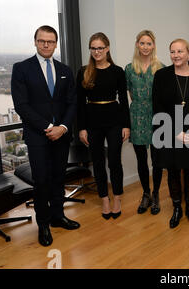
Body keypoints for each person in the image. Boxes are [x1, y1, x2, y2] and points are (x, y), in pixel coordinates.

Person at [11, 25, 79, 247]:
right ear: (35, 42)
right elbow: (22, 105)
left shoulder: (65, 70)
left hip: (62, 135)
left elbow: (72, 103)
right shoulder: (21, 69)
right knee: (41, 181)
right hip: (38, 136)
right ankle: (43, 224)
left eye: (50, 41)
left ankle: (58, 216)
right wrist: (49, 126)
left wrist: (63, 127)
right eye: (42, 41)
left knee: (59, 177)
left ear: (56, 43)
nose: (46, 45)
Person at [152, 39, 189, 228]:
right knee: (174, 171)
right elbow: (158, 107)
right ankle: (177, 207)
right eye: (172, 52)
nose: (176, 55)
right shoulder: (161, 76)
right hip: (170, 132)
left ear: (188, 53)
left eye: (180, 51)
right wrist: (175, 132)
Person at [77, 32, 130, 220]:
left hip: (114, 120)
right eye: (93, 48)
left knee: (115, 161)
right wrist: (81, 128)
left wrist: (126, 125)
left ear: (107, 48)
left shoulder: (117, 71)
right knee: (98, 162)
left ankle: (117, 197)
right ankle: (104, 199)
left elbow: (123, 100)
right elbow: (79, 102)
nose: (96, 51)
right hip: (92, 122)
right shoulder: (84, 71)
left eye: (100, 48)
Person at [125, 30, 164, 215]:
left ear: (153, 45)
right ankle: (146, 194)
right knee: (141, 159)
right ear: (137, 45)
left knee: (157, 160)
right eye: (142, 43)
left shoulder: (161, 68)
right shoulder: (129, 68)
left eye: (149, 43)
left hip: (157, 116)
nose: (146, 47)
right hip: (137, 116)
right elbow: (130, 93)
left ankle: (156, 194)